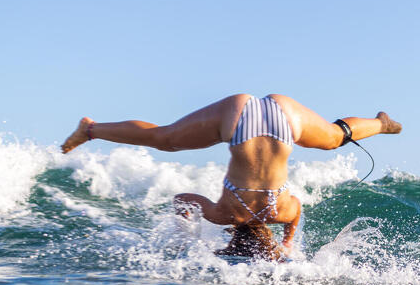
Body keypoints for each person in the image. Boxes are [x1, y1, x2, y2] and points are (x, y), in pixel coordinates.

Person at [61, 93, 402, 253]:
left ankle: (381, 124)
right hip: (239, 123)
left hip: (283, 119)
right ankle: (91, 130)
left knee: (334, 137)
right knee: (162, 139)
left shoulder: (279, 212)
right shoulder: (225, 214)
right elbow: (183, 200)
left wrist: (287, 242)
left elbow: (296, 208)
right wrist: (187, 238)